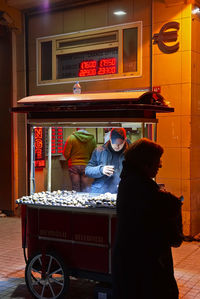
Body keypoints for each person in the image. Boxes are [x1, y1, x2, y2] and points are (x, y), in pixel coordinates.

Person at [112, 138, 183, 299]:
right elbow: (174, 238)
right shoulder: (144, 191)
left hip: (130, 268)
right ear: (145, 164)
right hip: (145, 271)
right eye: (157, 161)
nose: (160, 165)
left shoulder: (129, 183)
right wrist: (173, 203)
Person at [85, 128, 129, 194]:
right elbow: (87, 171)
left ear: (125, 140)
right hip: (101, 192)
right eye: (114, 143)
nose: (117, 146)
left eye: (120, 143)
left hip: (124, 192)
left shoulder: (131, 152)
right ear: (110, 139)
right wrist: (101, 170)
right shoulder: (99, 151)